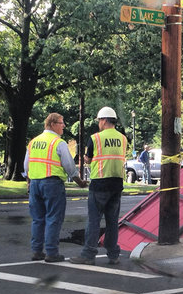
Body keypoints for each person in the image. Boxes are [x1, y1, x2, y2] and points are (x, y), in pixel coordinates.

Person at [24, 113, 87, 263]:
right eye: (61, 123)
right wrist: (79, 181)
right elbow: (69, 166)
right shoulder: (58, 143)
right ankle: (51, 252)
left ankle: (37, 251)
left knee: (38, 219)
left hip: (35, 184)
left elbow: (26, 165)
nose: (64, 125)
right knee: (53, 218)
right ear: (52, 124)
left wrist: (28, 181)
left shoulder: (33, 142)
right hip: (52, 184)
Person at [70, 106, 127, 266]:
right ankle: (113, 254)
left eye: (99, 121)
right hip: (117, 183)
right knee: (112, 221)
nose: (98, 124)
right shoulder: (123, 138)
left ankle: (88, 254)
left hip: (100, 183)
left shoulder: (95, 138)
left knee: (94, 220)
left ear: (103, 120)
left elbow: (88, 159)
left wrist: (86, 158)